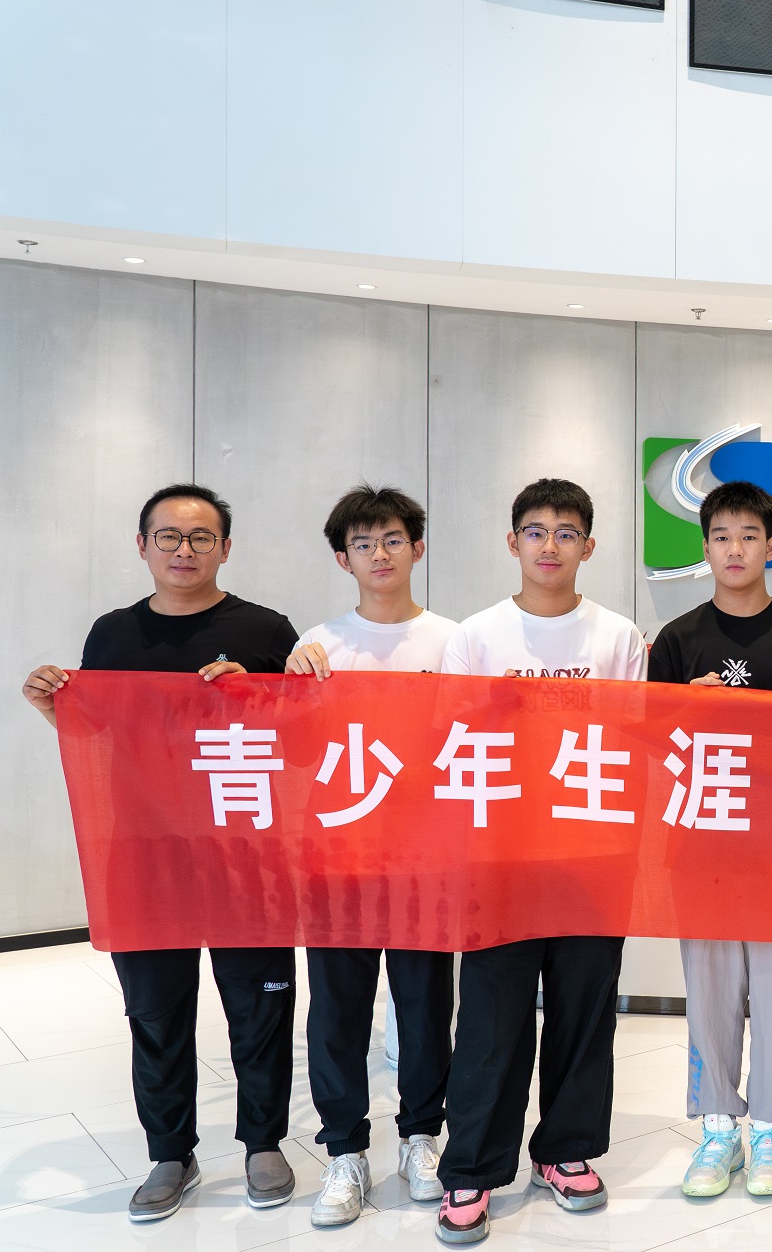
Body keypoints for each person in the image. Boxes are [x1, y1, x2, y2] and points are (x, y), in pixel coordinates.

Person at [20, 484, 300, 1222]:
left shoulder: (266, 629)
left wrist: (256, 695)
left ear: (226, 548)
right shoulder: (112, 634)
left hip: (245, 852)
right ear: (142, 545)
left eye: (201, 537)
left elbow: (303, 740)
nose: (184, 550)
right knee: (154, 1010)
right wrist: (56, 710)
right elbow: (103, 739)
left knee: (260, 1007)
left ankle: (264, 1141)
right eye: (169, 536)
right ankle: (170, 1151)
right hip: (145, 852)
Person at [433, 478, 647, 1244]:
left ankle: (565, 1148)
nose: (549, 544)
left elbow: (634, 742)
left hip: (592, 853)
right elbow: (451, 744)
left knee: (583, 1010)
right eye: (535, 530)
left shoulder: (618, 636)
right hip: (501, 857)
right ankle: (472, 1164)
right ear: (512, 542)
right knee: (492, 1017)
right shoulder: (476, 636)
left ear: (589, 546)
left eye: (565, 532)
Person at [648, 480, 772, 1200]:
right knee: (710, 992)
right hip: (702, 849)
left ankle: (771, 1129)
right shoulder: (676, 640)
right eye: (722, 536)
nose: (735, 548)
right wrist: (682, 713)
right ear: (705, 548)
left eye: (749, 535)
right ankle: (718, 1126)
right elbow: (651, 747)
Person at [284, 485, 458, 1228]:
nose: (379, 554)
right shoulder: (318, 644)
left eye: (392, 539)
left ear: (417, 548)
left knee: (425, 1006)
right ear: (342, 558)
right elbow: (294, 752)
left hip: (427, 857)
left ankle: (421, 1137)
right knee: (338, 1009)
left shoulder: (454, 640)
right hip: (341, 856)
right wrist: (291, 685)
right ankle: (345, 1149)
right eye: (363, 543)